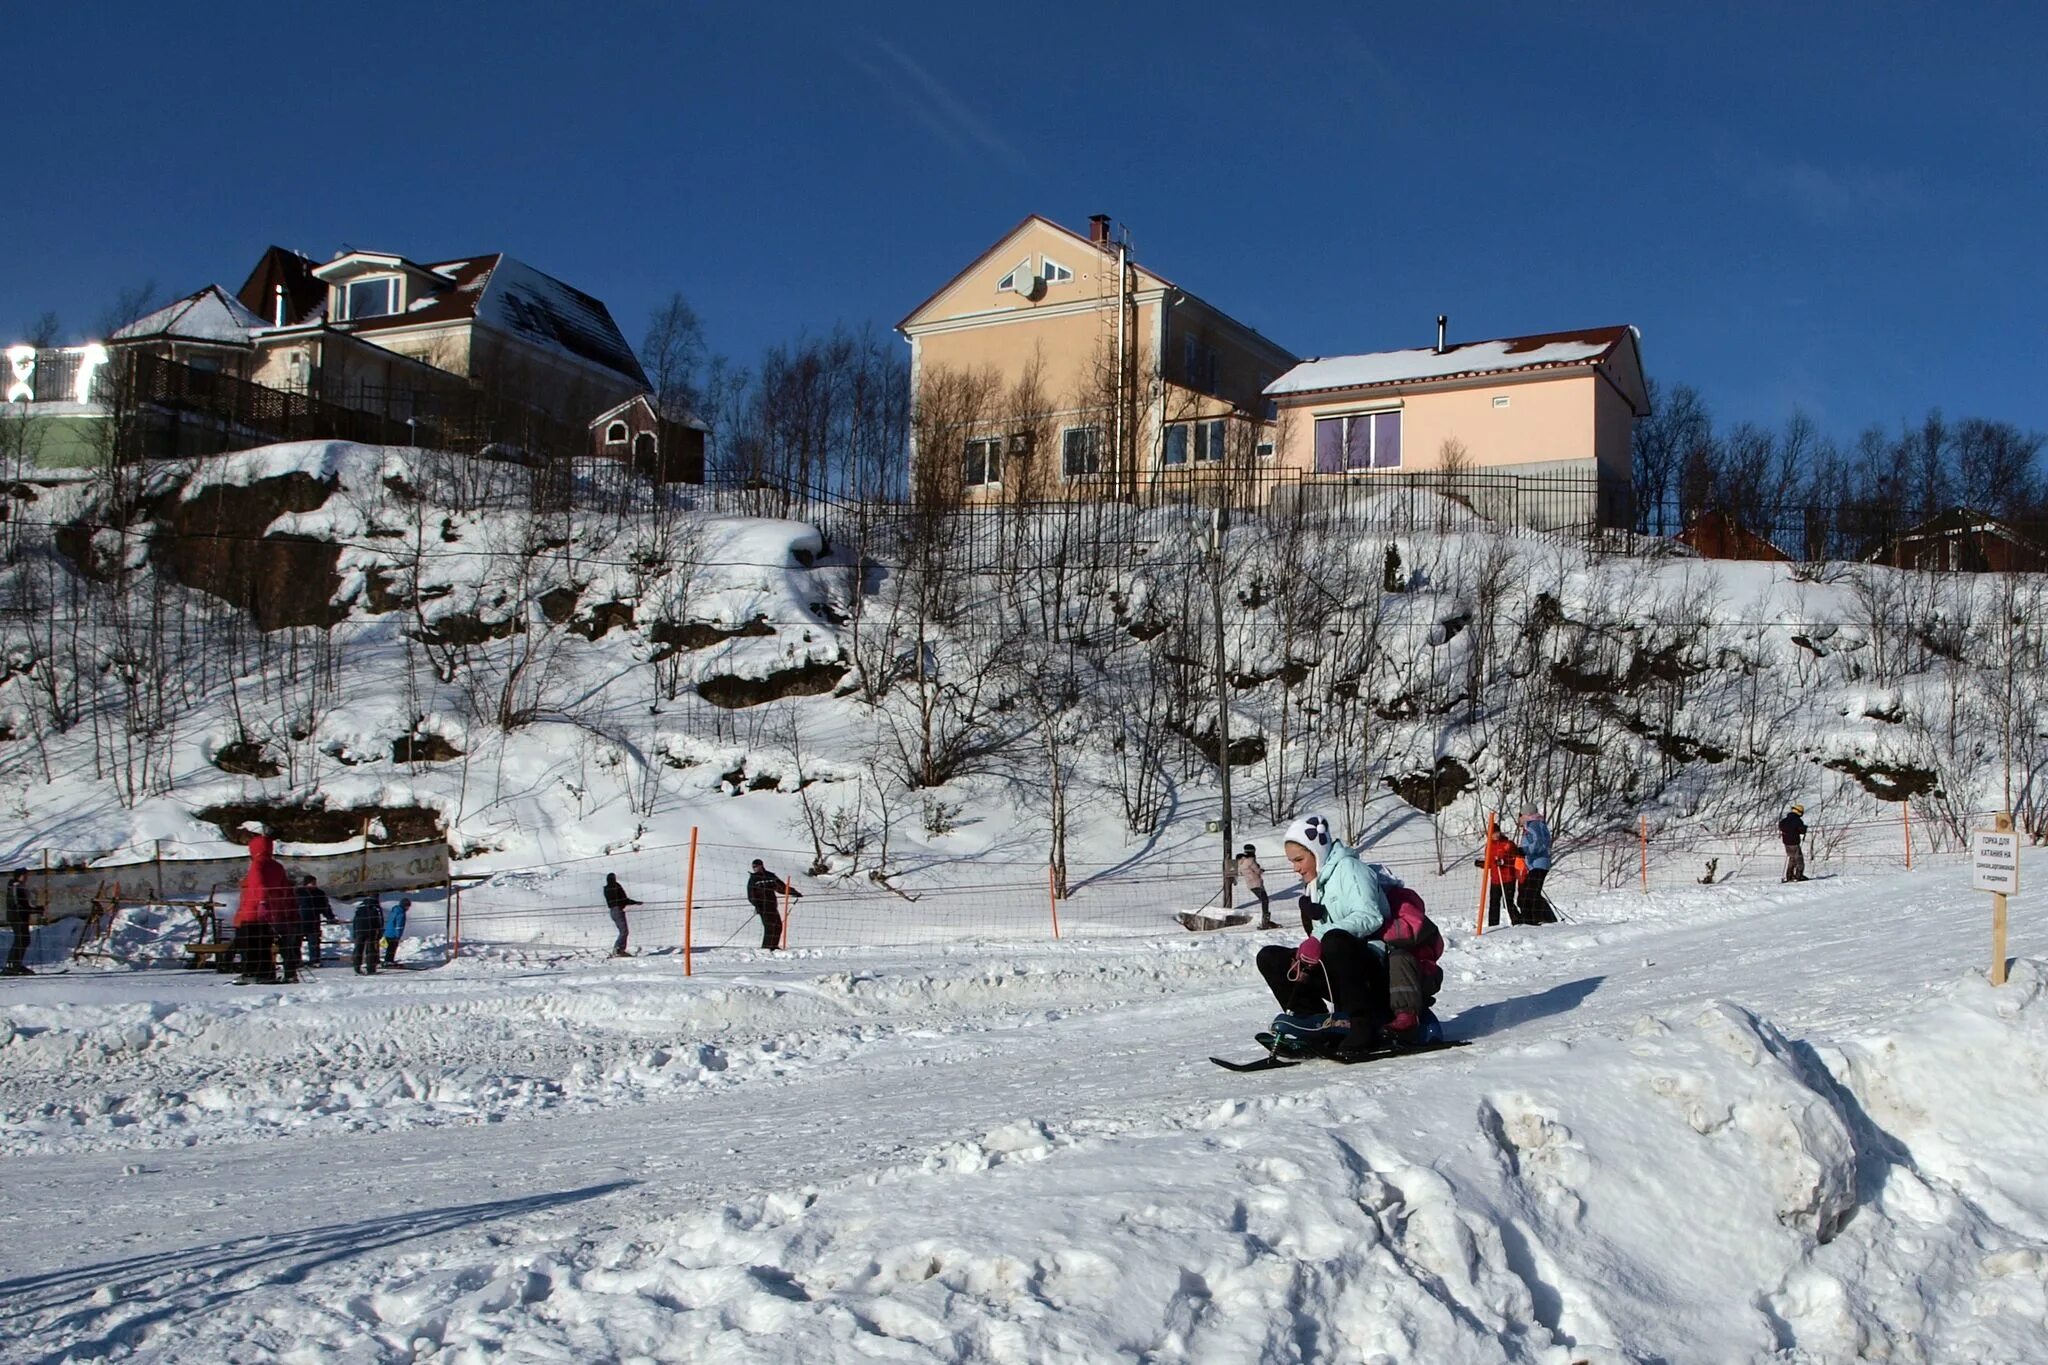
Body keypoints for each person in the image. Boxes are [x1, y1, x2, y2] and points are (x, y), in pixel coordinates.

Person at [1253, 814, 1392, 1058]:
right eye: (1292, 861)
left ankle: (1362, 1026)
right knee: (1270, 957)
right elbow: (1323, 934)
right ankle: (1315, 1025)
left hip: (1372, 970)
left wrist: (1320, 937)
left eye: (1299, 859)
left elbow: (1371, 916)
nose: (1295, 867)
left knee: (1335, 940)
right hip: (1338, 966)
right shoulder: (1316, 883)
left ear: (1317, 852)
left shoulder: (1350, 869)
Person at [235, 835, 297, 984]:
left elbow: (258, 884)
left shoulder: (257, 863)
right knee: (264, 945)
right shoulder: (277, 866)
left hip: (252, 911)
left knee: (249, 944)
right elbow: (284, 890)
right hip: (271, 913)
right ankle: (267, 973)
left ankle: (250, 973)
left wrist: (262, 901)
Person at [746, 859, 802, 950]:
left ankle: (774, 946)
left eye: (756, 866)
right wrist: (757, 906)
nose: (755, 868)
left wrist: (793, 892)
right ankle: (767, 948)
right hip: (763, 907)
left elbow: (781, 887)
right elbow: (751, 895)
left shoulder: (770, 876)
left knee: (778, 926)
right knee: (769, 927)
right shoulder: (753, 879)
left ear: (761, 866)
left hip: (772, 905)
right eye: (753, 867)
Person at [1517, 809, 1558, 924]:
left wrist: (1524, 850)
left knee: (1531, 893)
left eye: (1520, 815)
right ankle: (1536, 919)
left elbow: (1539, 843)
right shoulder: (1533, 825)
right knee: (1530, 893)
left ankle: (1541, 919)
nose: (1519, 818)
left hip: (1539, 863)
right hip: (1535, 864)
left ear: (1526, 814)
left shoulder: (1534, 825)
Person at [1482, 824, 1522, 927]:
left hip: (1508, 878)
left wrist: (1504, 861)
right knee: (1494, 902)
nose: (1495, 835)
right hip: (1495, 879)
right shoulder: (1489, 846)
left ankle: (1517, 921)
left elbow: (1515, 858)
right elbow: (1490, 863)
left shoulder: (1508, 844)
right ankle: (1493, 925)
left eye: (1496, 832)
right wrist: (1483, 864)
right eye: (1492, 833)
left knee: (1508, 901)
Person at [296, 874, 339, 969]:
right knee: (296, 942)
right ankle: (297, 960)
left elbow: (325, 907)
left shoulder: (319, 893)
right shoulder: (298, 892)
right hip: (300, 921)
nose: (314, 884)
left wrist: (330, 917)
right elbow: (292, 905)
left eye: (314, 883)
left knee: (314, 942)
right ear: (306, 883)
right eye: (312, 883)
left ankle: (314, 960)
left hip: (314, 921)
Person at [5, 868, 36, 976]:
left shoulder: (20, 887)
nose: (27, 877)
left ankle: (17, 964)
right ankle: (11, 965)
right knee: (20, 940)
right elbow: (18, 905)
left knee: (24, 940)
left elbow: (24, 905)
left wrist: (35, 909)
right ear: (20, 876)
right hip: (17, 917)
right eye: (25, 875)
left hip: (22, 917)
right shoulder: (15, 887)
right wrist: (33, 910)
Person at [1236, 844, 1275, 929]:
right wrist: (1261, 870)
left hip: (1250, 884)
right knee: (1265, 901)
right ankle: (1265, 921)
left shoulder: (1242, 861)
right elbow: (1257, 870)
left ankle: (1265, 920)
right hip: (1256, 883)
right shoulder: (1251, 860)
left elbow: (1242, 872)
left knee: (1264, 900)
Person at [602, 873, 640, 957]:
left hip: (612, 911)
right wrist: (635, 902)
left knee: (622, 931)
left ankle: (619, 949)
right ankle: (618, 949)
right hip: (618, 910)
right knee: (624, 931)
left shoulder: (606, 889)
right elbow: (624, 899)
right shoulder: (616, 886)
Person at [351, 893, 383, 975]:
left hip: (359, 929)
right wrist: (379, 931)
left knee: (358, 949)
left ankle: (357, 968)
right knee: (371, 949)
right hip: (371, 930)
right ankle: (371, 969)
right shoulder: (376, 906)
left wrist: (354, 931)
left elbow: (355, 920)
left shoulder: (360, 906)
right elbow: (379, 920)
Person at [1779, 804, 1808, 882]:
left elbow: (1781, 826)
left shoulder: (1784, 820)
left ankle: (1789, 875)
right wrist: (1804, 828)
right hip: (1794, 843)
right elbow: (1801, 831)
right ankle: (1799, 876)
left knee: (1792, 858)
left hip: (1786, 843)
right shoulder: (1797, 820)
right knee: (1799, 859)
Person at [383, 896, 410, 966]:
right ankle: (389, 961)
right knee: (392, 948)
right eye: (408, 906)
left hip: (388, 932)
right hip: (394, 933)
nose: (408, 908)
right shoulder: (401, 913)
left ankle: (388, 960)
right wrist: (398, 935)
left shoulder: (394, 910)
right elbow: (399, 925)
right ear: (405, 905)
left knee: (390, 947)